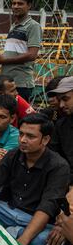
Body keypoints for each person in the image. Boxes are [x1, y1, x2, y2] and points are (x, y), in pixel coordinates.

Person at [0, 113, 70, 245]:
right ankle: (6, 232)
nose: (23, 140)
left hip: (34, 221)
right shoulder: (13, 154)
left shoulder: (59, 166)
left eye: (30, 136)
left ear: (45, 139)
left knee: (40, 243)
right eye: (21, 134)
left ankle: (3, 233)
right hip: (6, 210)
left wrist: (23, 241)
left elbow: (47, 208)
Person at [0, 0, 42, 102]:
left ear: (29, 6)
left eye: (20, 4)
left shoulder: (33, 26)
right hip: (8, 83)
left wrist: (4, 60)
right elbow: (15, 52)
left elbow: (32, 55)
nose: (16, 6)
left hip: (21, 84)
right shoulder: (14, 26)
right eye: (14, 3)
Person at [49, 76, 73, 212]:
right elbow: (56, 159)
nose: (62, 105)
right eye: (60, 100)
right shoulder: (61, 126)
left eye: (66, 99)